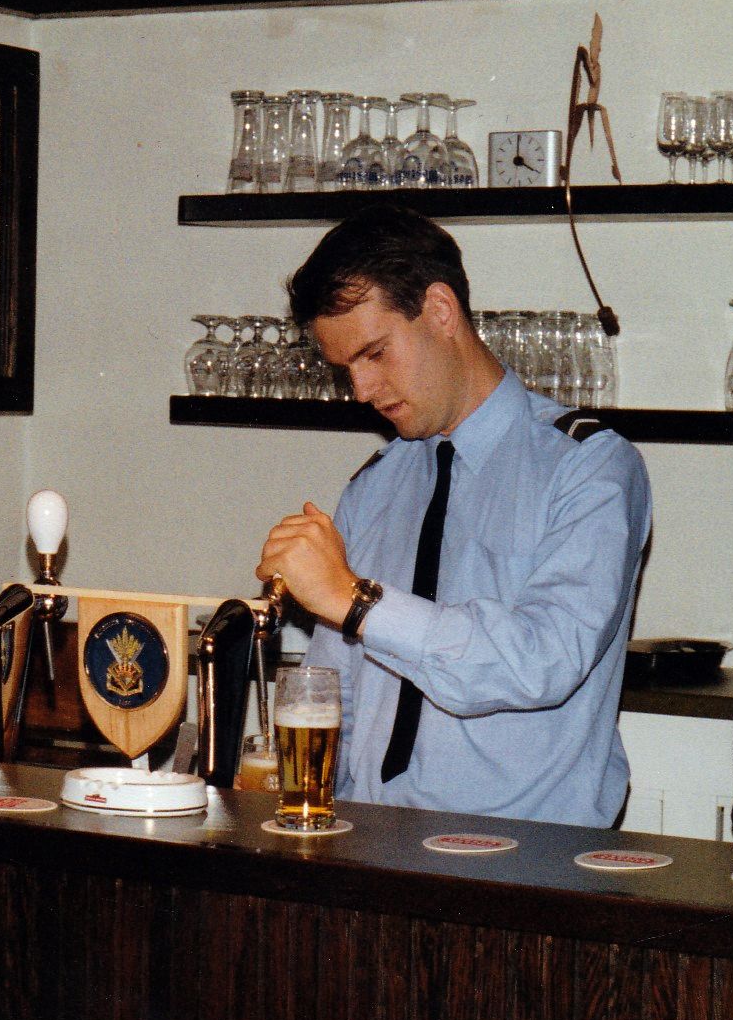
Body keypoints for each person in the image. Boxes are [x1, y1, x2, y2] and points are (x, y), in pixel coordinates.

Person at [256, 205, 651, 826]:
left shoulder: (588, 467)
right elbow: (339, 685)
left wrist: (357, 602)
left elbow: (541, 661)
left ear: (441, 311)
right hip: (373, 839)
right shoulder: (374, 485)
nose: (360, 390)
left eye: (375, 353)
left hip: (527, 860)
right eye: (346, 370)